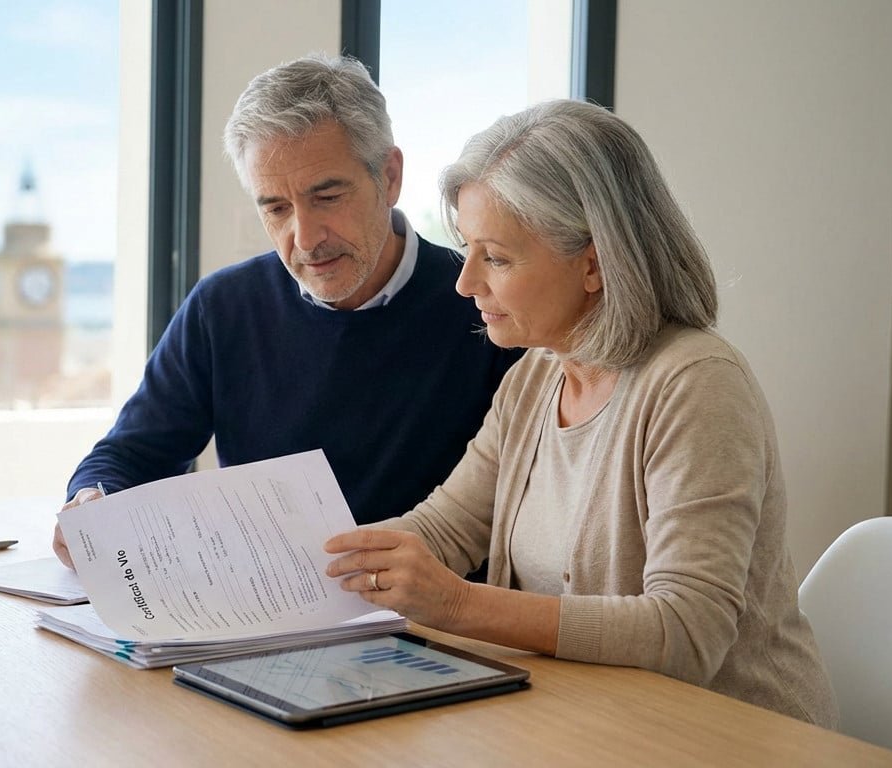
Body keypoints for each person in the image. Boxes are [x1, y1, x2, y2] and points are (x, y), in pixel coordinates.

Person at [323, 99, 839, 727]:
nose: (466, 283)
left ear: (593, 263)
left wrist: (458, 604)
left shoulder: (697, 386)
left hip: (726, 736)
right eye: (468, 250)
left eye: (498, 257)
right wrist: (305, 567)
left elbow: (686, 633)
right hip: (587, 724)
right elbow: (444, 529)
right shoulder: (535, 379)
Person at [52, 54, 521, 567]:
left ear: (389, 177)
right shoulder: (222, 308)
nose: (305, 237)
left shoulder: (487, 304)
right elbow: (131, 454)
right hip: (266, 614)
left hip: (435, 619)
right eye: (276, 208)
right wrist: (93, 501)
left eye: (327, 196)